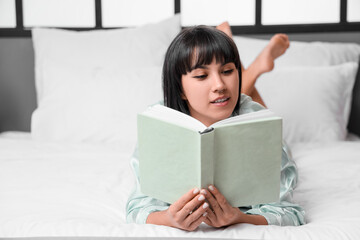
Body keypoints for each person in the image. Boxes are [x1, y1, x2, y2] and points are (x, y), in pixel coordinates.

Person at [126, 25, 305, 231]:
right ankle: (251, 70)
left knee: (248, 107)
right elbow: (136, 209)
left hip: (254, 123)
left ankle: (250, 70)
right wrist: (169, 219)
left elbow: (291, 213)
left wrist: (238, 218)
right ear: (180, 88)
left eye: (228, 71)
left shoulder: (258, 122)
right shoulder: (159, 122)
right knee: (231, 99)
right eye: (202, 76)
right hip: (214, 105)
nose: (219, 84)